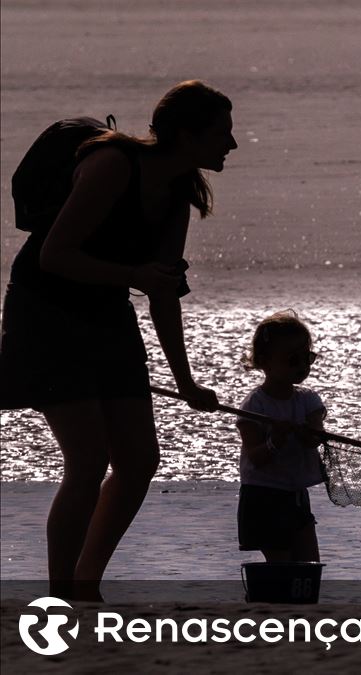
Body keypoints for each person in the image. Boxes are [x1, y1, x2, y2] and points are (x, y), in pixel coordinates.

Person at [0, 80, 236, 599]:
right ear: (185, 134)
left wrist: (186, 381)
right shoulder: (113, 166)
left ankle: (88, 583)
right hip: (45, 312)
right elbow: (54, 256)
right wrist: (136, 274)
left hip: (105, 313)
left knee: (138, 461)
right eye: (222, 133)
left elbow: (164, 290)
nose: (232, 145)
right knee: (87, 460)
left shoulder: (178, 192)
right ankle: (62, 590)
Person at [235, 310, 327, 563]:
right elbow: (255, 458)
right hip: (263, 497)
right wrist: (275, 440)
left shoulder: (308, 401)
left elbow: (313, 439)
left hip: (295, 494)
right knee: (281, 566)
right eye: (292, 360)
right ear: (264, 361)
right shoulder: (255, 406)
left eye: (307, 358)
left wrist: (311, 432)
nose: (302, 367)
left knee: (309, 564)